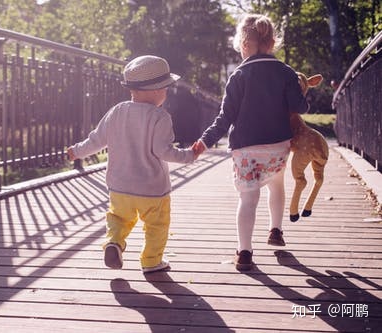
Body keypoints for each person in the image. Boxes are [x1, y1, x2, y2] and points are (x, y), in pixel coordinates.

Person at [192, 14, 309, 271]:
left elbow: (225, 117)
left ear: (244, 44)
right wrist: (299, 89)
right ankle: (276, 231)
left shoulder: (239, 75)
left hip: (247, 148)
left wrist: (205, 141)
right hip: (277, 145)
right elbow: (300, 106)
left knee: (248, 198)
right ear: (272, 42)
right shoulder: (286, 72)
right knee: (276, 184)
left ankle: (244, 252)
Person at [67, 55, 197, 273]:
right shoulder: (160, 117)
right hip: (152, 190)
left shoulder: (116, 112)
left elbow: (96, 140)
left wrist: (76, 152)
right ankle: (151, 261)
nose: (166, 92)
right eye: (165, 88)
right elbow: (163, 151)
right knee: (156, 226)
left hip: (119, 186)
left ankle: (114, 243)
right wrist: (189, 155)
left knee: (118, 218)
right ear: (156, 90)